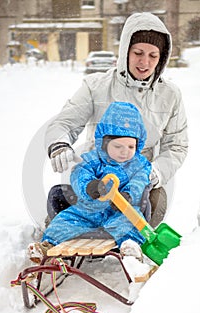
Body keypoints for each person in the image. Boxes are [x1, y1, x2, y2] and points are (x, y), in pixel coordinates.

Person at [45, 12, 188, 229]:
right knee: (60, 197)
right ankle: (62, 232)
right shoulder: (96, 86)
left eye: (153, 55)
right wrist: (59, 144)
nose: (145, 62)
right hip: (98, 175)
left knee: (155, 204)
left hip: (138, 179)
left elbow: (177, 145)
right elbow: (65, 122)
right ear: (125, 51)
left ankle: (127, 235)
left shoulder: (170, 95)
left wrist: (155, 171)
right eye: (138, 52)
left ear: (162, 58)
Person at [28, 102, 151, 263]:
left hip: (120, 212)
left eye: (131, 146)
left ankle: (130, 248)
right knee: (65, 219)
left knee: (129, 224)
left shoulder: (139, 164)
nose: (125, 151)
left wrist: (128, 195)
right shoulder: (92, 160)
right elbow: (79, 174)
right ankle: (48, 245)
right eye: (118, 146)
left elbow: (140, 181)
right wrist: (90, 186)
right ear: (105, 144)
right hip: (89, 210)